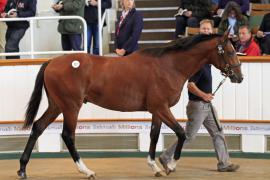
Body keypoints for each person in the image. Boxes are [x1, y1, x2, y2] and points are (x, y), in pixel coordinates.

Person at [159, 19, 240, 173]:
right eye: (203, 29)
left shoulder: (207, 59)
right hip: (197, 105)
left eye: (208, 29)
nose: (206, 31)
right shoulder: (198, 62)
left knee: (217, 132)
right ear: (199, 31)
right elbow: (190, 85)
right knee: (189, 137)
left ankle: (224, 163)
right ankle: (166, 156)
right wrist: (204, 96)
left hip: (206, 105)